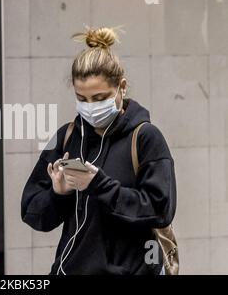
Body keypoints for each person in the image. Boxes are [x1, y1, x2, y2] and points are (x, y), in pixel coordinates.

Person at [21, 27, 177, 275]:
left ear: (121, 88)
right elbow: (32, 213)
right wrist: (57, 194)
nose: (90, 107)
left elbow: (159, 211)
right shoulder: (67, 137)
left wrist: (98, 184)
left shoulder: (146, 138)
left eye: (99, 97)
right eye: (81, 99)